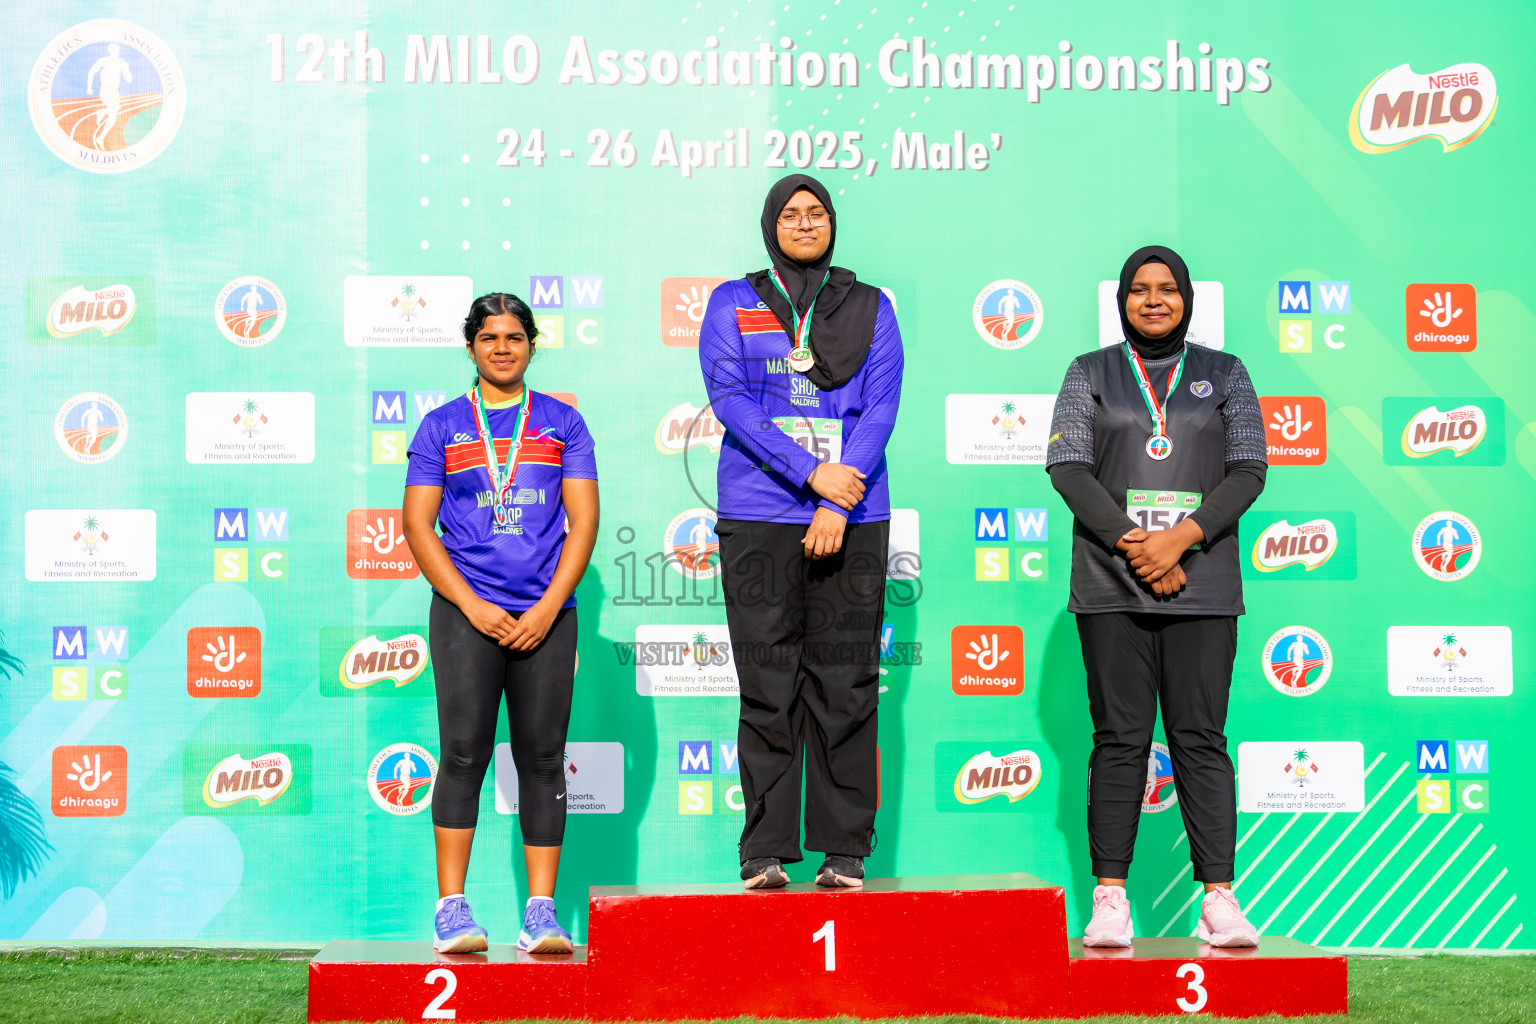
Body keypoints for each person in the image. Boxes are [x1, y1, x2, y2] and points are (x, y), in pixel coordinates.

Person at [1046, 246, 1267, 948]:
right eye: (1139, 290)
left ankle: (1219, 899)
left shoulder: (1226, 373)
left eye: (1166, 289)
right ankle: (1111, 899)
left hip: (1201, 583)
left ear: (1187, 298)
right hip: (1113, 583)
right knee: (1119, 741)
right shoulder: (1090, 372)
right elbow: (1068, 467)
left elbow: (1249, 469)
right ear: (1123, 300)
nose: (1153, 300)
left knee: (1199, 739)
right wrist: (1139, 545)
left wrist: (1183, 539)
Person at [699, 173, 904, 890]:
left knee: (846, 683)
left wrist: (837, 500)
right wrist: (812, 476)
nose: (806, 223)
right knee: (768, 684)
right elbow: (730, 398)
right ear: (770, 225)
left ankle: (844, 850)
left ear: (832, 224)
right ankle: (765, 851)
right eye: (791, 213)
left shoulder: (872, 306)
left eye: (817, 213)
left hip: (854, 511)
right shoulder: (732, 301)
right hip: (760, 513)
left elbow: (879, 407)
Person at [403, 292, 599, 954]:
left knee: (544, 758)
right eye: (490, 338)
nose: (502, 348)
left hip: (547, 614)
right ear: (470, 348)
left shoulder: (563, 424)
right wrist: (472, 603)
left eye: (515, 337)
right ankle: (452, 911)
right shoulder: (441, 426)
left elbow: (584, 522)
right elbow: (417, 527)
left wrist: (547, 608)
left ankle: (540, 913)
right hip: (466, 612)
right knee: (463, 752)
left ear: (532, 345)